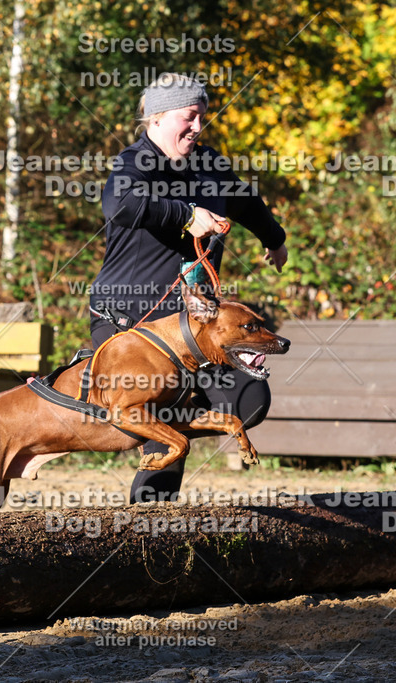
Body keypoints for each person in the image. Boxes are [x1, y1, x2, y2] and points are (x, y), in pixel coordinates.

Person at [88, 72, 288, 503]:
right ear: (156, 119)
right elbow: (120, 204)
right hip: (131, 322)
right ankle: (150, 525)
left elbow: (245, 201)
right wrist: (184, 214)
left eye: (202, 117)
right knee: (164, 419)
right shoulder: (136, 162)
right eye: (189, 117)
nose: (197, 127)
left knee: (249, 397)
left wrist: (275, 238)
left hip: (195, 327)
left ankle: (163, 421)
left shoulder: (209, 162)